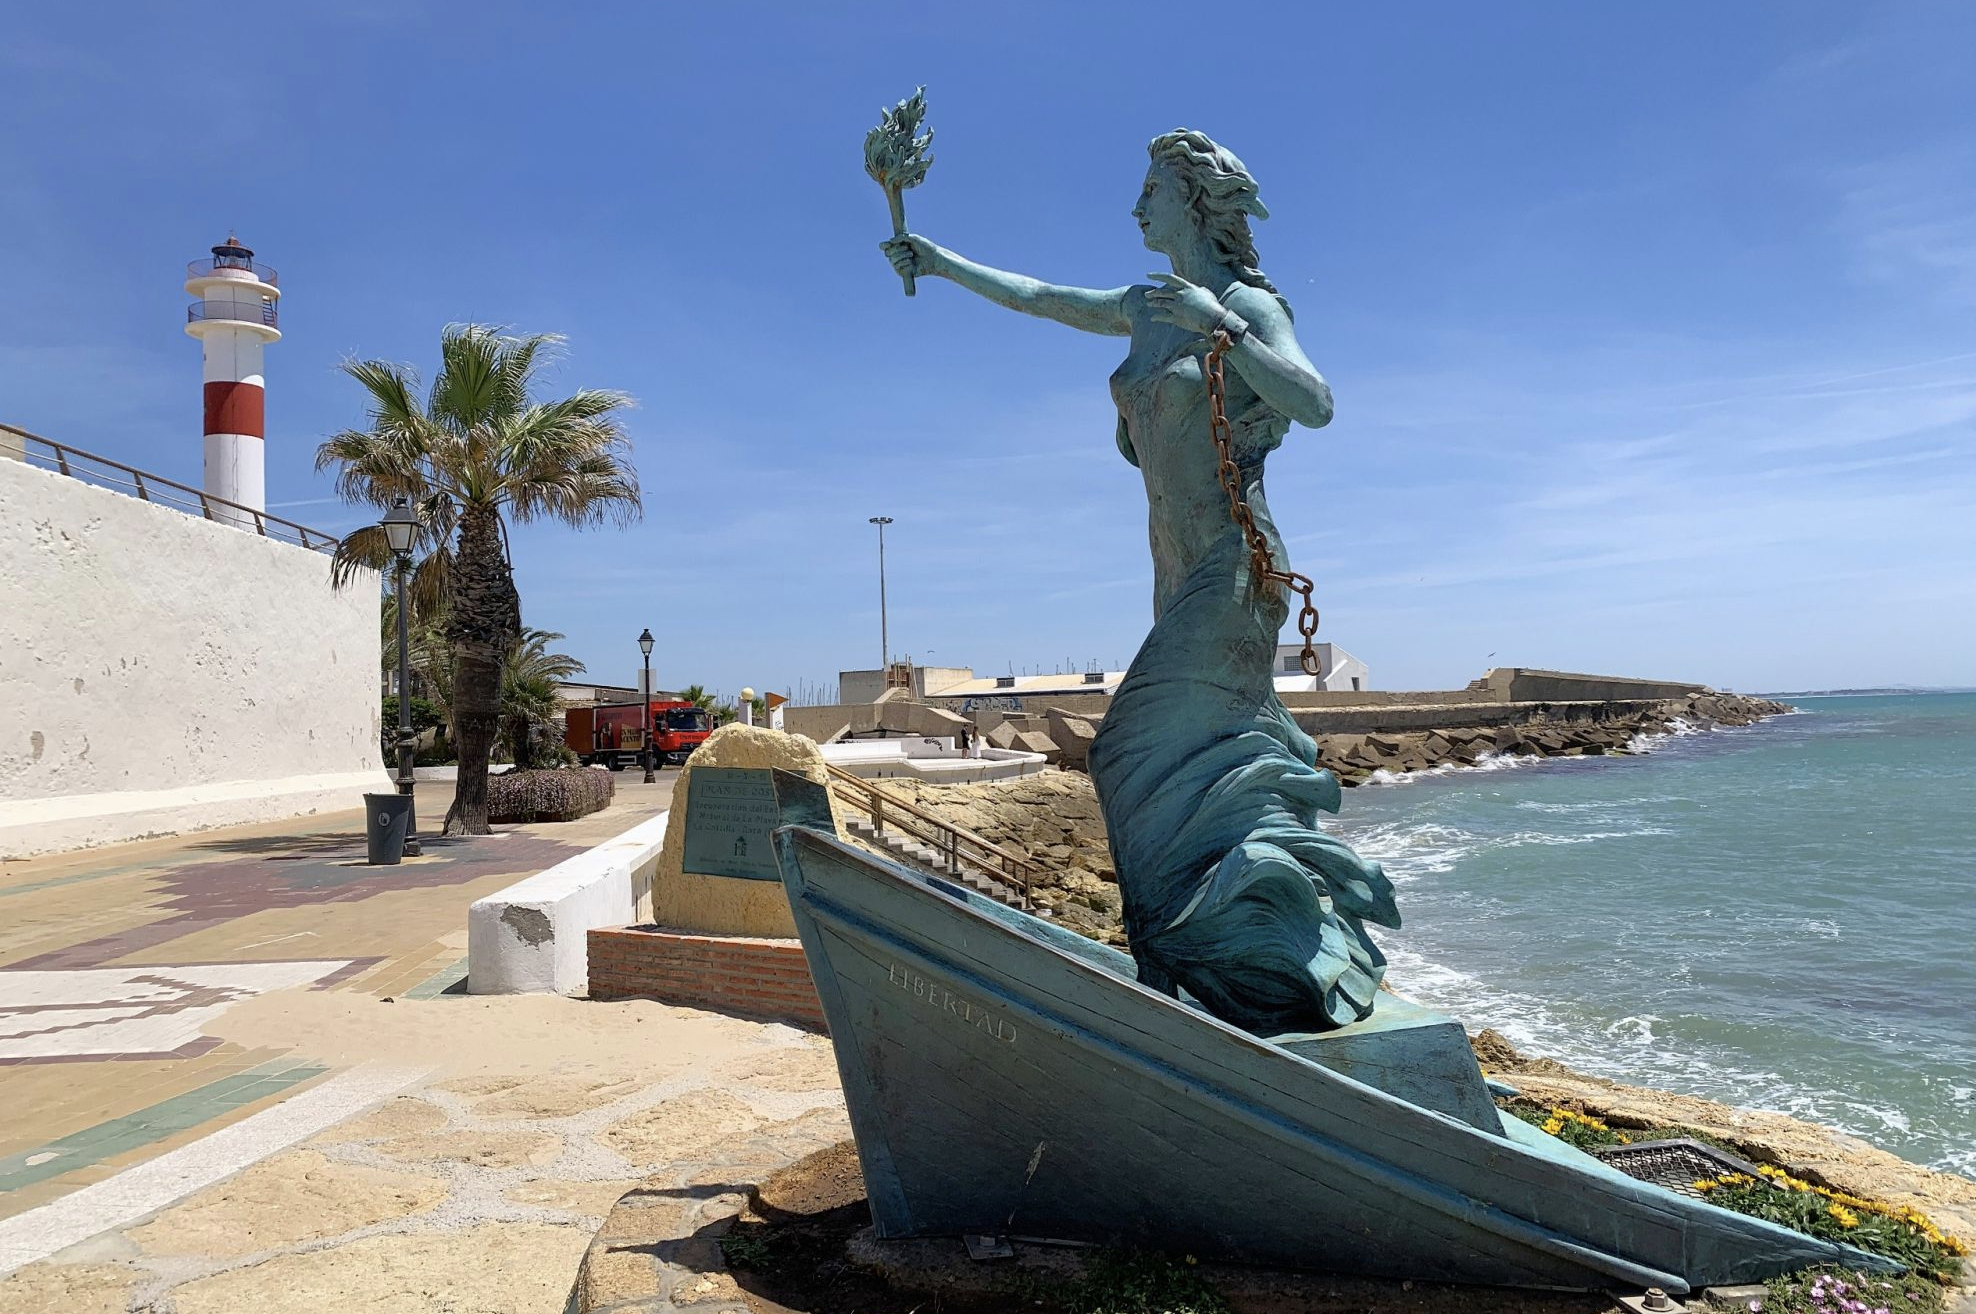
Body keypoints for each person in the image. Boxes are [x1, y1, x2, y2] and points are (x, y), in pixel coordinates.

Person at [881, 130, 1398, 1032]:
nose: (1136, 207)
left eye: (1152, 190)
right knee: (1204, 769)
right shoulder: (1145, 302)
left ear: (1194, 205)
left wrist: (1222, 327)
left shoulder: (1241, 304)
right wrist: (939, 259)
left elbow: (1314, 402)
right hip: (1178, 573)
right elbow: (1041, 296)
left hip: (1237, 570)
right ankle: (1251, 963)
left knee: (1125, 752)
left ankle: (1212, 964)